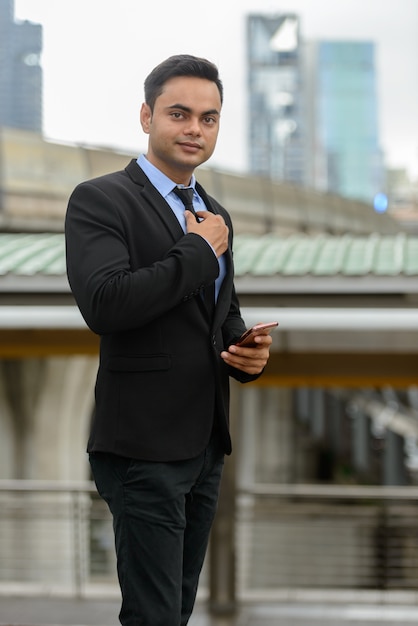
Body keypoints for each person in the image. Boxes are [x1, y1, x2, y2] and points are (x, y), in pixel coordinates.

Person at [65, 54, 272, 626]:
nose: (194, 129)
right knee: (154, 615)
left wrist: (245, 352)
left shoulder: (214, 212)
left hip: (204, 443)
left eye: (208, 118)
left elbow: (219, 315)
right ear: (146, 116)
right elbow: (106, 304)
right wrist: (200, 251)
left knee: (176, 610)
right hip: (142, 446)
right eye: (179, 114)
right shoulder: (101, 199)